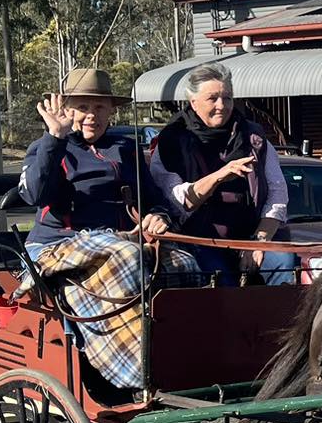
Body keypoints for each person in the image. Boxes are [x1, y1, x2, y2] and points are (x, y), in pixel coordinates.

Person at [20, 66, 199, 394]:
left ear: (111, 111)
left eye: (100, 107)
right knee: (127, 256)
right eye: (83, 107)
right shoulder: (46, 147)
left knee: (186, 262)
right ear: (67, 109)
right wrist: (54, 138)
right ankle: (133, 371)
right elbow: (34, 193)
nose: (92, 115)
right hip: (58, 246)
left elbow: (153, 199)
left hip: (118, 242)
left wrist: (157, 216)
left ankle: (179, 360)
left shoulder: (124, 149)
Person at [149, 61, 293, 283]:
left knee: (283, 263)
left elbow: (277, 193)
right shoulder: (170, 142)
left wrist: (258, 241)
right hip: (201, 241)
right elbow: (175, 200)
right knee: (219, 277)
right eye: (212, 98)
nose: (222, 105)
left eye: (227, 98)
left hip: (252, 236)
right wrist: (219, 176)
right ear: (193, 102)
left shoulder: (254, 138)